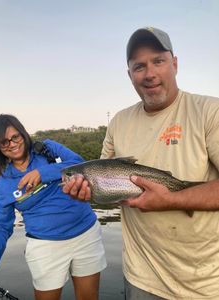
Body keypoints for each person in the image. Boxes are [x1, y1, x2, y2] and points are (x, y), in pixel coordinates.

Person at [63, 27, 219, 299]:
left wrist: (173, 199)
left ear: (175, 63)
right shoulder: (119, 122)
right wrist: (87, 194)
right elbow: (107, 183)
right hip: (140, 278)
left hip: (205, 283)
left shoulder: (209, 111)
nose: (149, 73)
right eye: (139, 66)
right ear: (129, 75)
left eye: (158, 61)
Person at [0, 114, 107, 300]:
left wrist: (43, 172)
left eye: (15, 137)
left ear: (23, 134)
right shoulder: (3, 185)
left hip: (86, 234)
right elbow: (1, 226)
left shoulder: (48, 148)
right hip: (44, 246)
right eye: (4, 142)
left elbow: (80, 164)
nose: (12, 144)